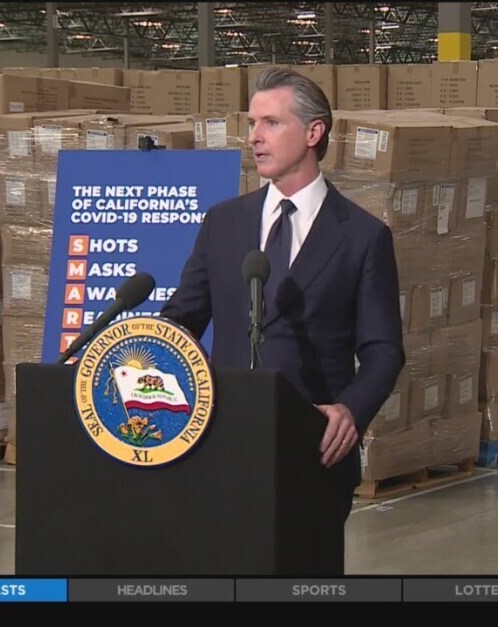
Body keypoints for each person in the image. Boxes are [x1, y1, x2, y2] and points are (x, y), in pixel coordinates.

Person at [161, 67, 406, 573]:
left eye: (271, 123)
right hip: (222, 445)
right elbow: (182, 318)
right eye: (252, 123)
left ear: (314, 133)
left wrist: (351, 410)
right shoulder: (223, 223)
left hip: (312, 453)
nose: (254, 136)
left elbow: (384, 349)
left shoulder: (363, 237)